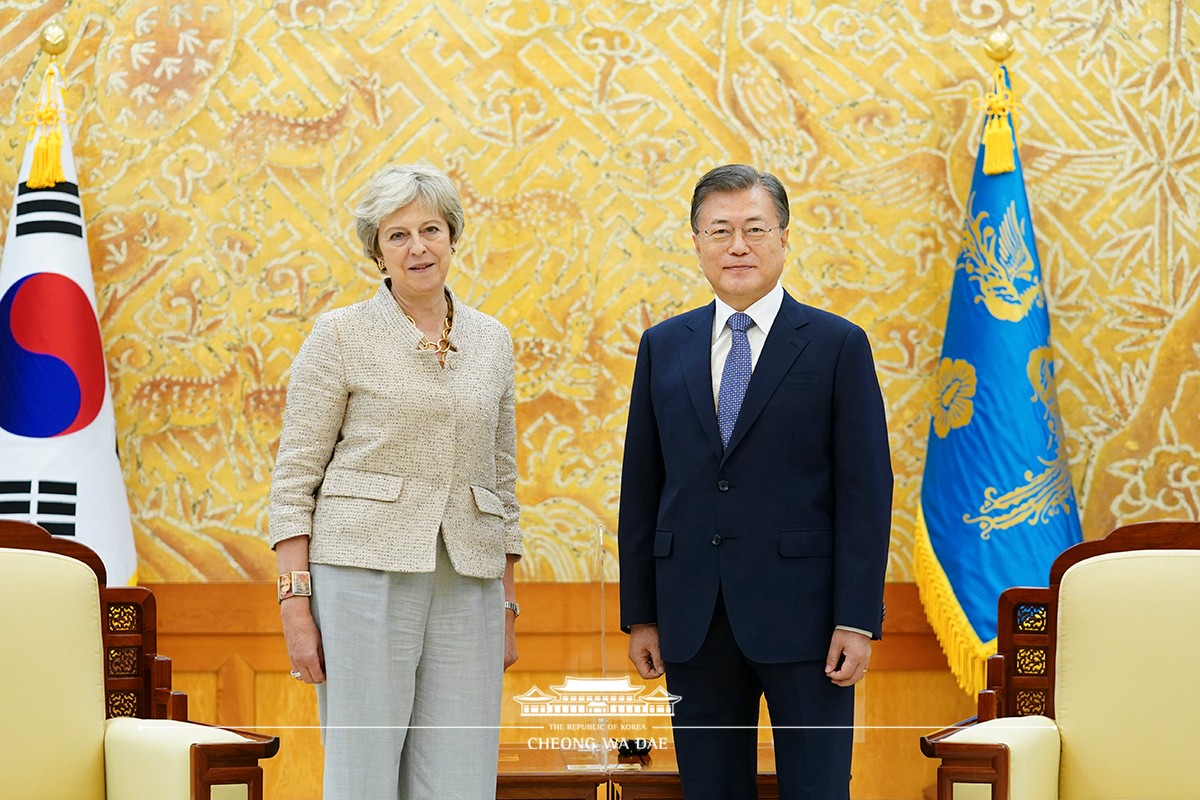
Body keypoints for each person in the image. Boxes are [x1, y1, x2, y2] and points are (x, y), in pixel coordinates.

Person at [618, 164, 892, 799]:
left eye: (753, 228)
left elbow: (866, 492)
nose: (736, 245)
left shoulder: (836, 345)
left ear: (784, 237)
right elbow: (643, 487)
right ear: (696, 243)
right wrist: (643, 616)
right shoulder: (664, 345)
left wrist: (856, 617)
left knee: (816, 789)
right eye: (719, 230)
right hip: (692, 617)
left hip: (810, 622)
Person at [268, 162, 522, 799]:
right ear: (376, 251)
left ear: (452, 238)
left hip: (470, 581)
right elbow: (294, 479)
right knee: (364, 776)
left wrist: (509, 604)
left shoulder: (493, 341)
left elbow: (503, 478)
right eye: (398, 235)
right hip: (361, 576)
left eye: (430, 229)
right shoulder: (339, 335)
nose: (418, 247)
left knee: (461, 779)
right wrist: (296, 609)